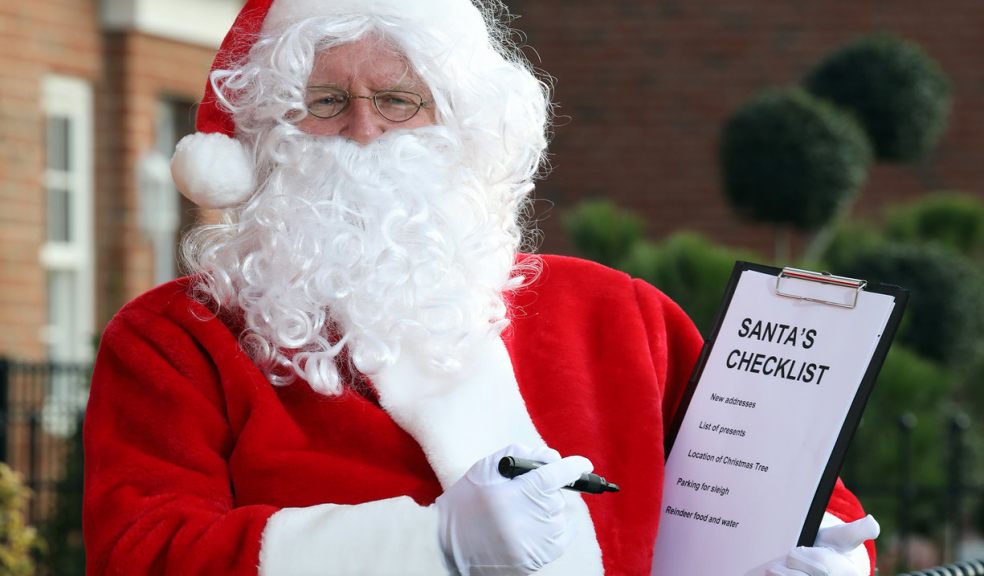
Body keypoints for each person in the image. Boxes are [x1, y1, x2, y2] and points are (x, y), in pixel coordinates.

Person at [82, 0, 879, 574]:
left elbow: (803, 498)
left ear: (462, 128)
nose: (365, 131)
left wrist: (825, 560)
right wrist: (425, 548)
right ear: (264, 137)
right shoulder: (175, 340)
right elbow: (141, 553)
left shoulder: (620, 314)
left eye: (400, 101)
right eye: (325, 103)